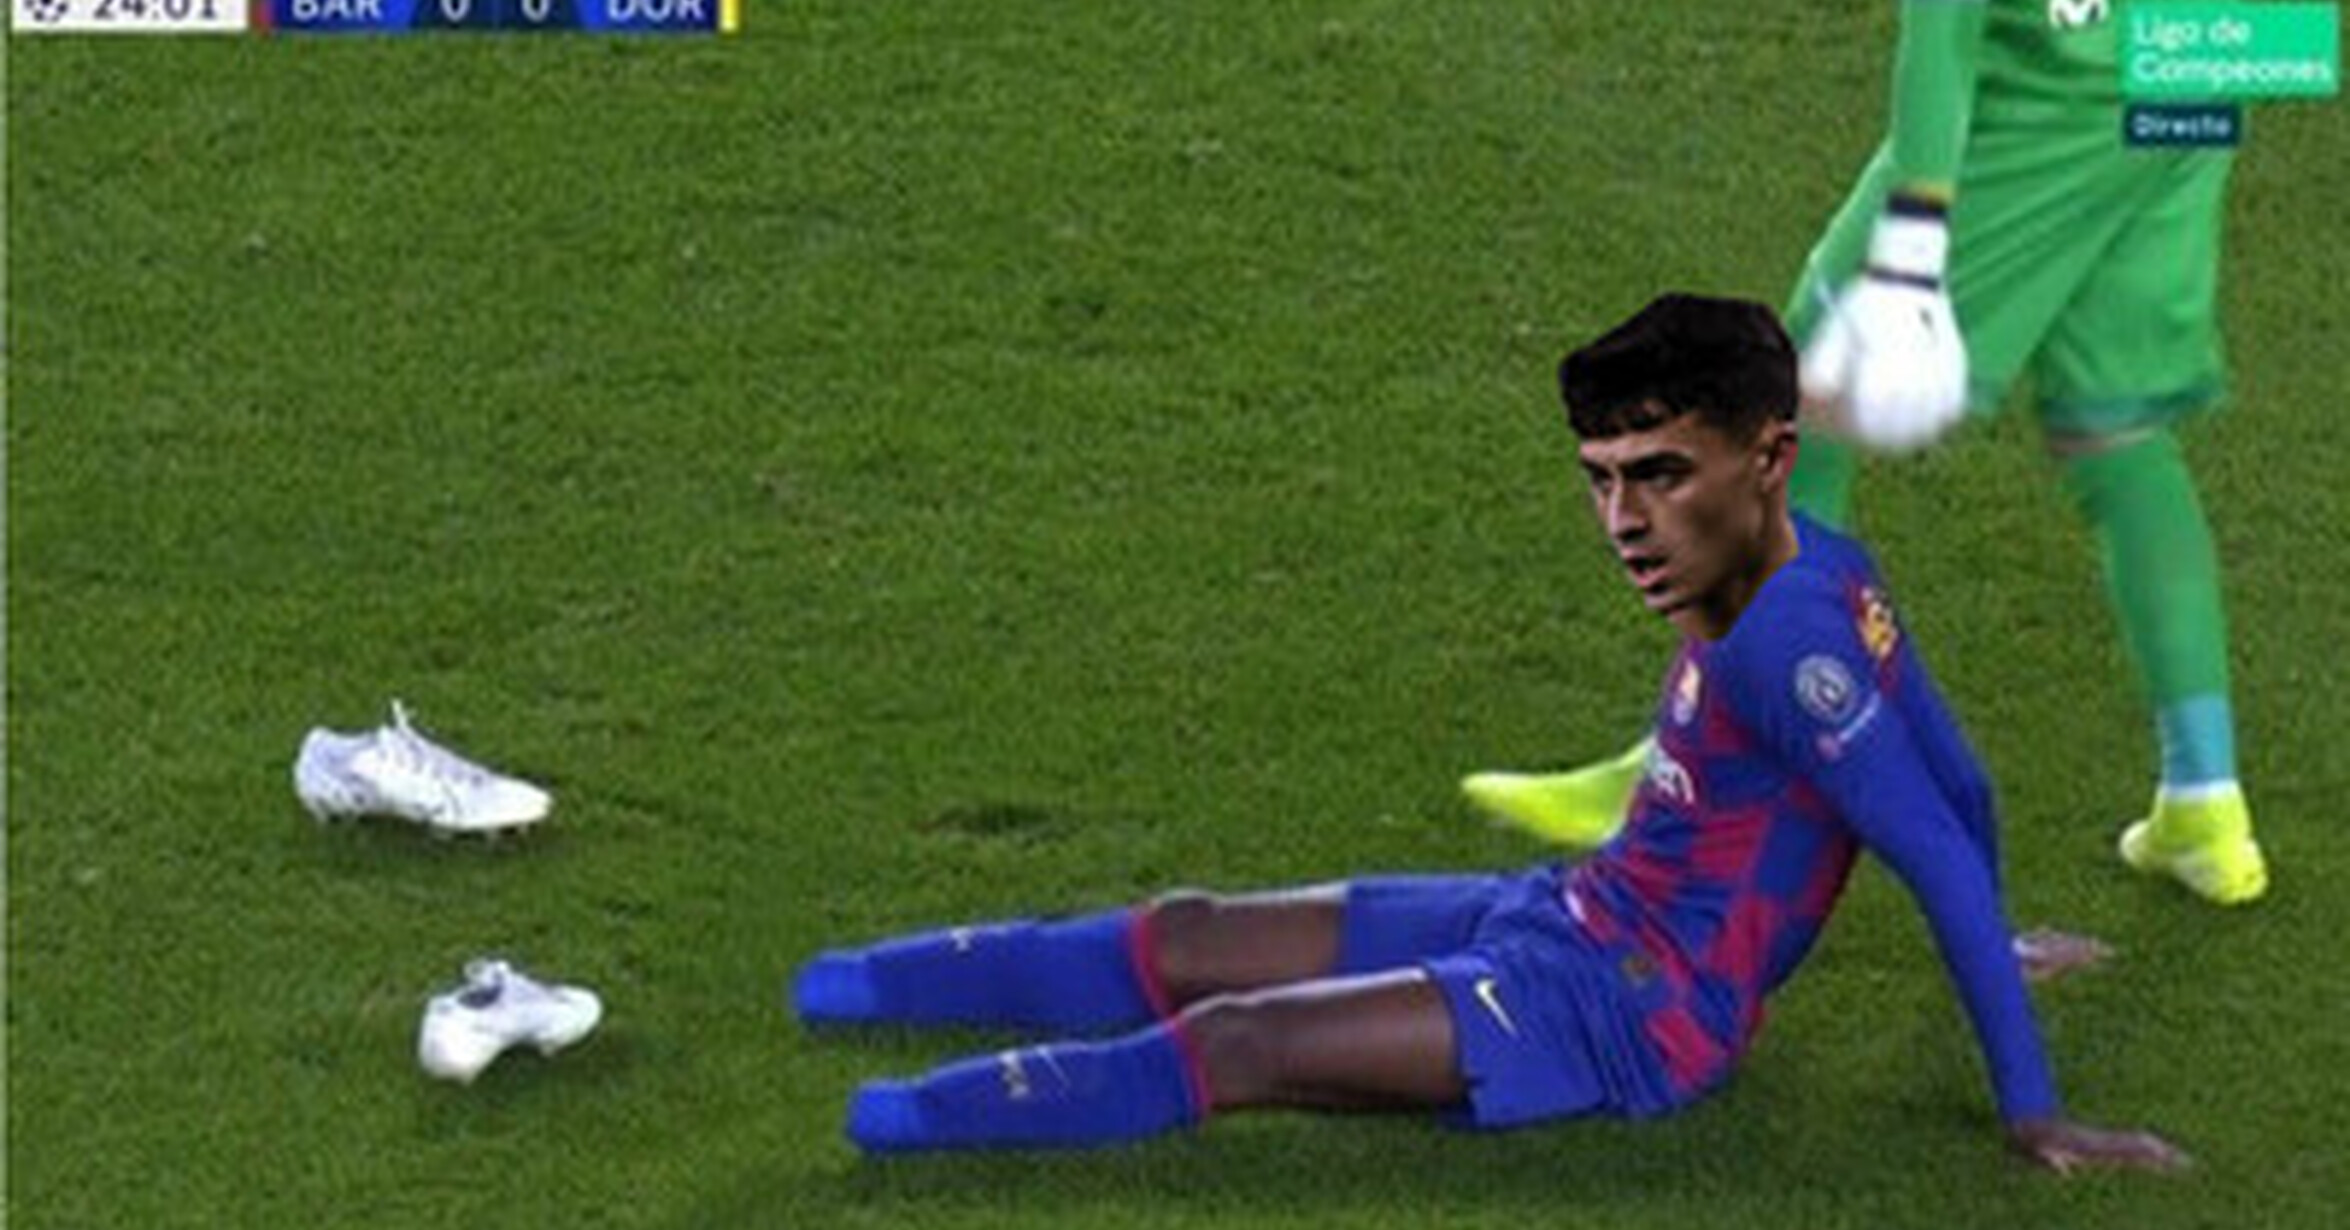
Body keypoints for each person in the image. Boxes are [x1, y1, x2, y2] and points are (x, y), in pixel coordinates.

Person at [792, 295, 2185, 1172]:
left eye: (1659, 476)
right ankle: (846, 986)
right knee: (1196, 927)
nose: (1623, 521)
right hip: (1566, 910)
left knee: (1240, 1038)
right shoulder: (1818, 569)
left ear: (1766, 457)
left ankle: (903, 1122)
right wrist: (2000, 935)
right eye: (1602, 479)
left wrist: (2030, 1107)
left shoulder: (1786, 646)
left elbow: (1934, 838)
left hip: (1628, 1013)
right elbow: (1960, 778)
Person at [1462, 0, 2268, 907]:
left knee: (1797, 398)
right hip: (2220, 53)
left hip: (2066, 86)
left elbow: (1946, 28)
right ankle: (2205, 799)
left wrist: (1909, 253)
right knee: (2118, 431)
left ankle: (1689, 769)